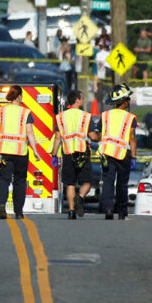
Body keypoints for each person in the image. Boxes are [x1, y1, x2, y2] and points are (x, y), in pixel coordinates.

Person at [51, 90, 99, 219]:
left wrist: (54, 154)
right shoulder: (86, 116)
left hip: (67, 153)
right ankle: (80, 197)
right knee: (87, 182)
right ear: (77, 100)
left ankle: (71, 211)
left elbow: (57, 138)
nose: (83, 100)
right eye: (82, 98)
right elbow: (93, 136)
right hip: (82, 153)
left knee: (70, 183)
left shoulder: (60, 117)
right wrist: (100, 137)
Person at [0, 85, 39, 220]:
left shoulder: (1, 111)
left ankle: (2, 204)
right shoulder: (25, 112)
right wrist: (36, 151)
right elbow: (30, 133)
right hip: (20, 152)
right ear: (19, 96)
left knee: (3, 180)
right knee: (19, 182)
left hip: (4, 151)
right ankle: (18, 212)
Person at [99, 84, 138, 220]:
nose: (128, 102)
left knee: (108, 182)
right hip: (123, 154)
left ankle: (108, 209)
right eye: (128, 99)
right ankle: (122, 212)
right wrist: (133, 156)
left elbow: (99, 135)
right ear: (124, 101)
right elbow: (132, 138)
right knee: (122, 184)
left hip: (107, 152)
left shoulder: (104, 116)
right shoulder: (130, 118)